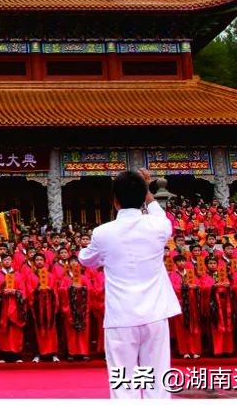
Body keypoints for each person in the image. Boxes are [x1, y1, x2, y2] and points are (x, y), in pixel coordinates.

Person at [78, 168, 181, 399]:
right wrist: (147, 189)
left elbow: (86, 259)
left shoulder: (103, 233)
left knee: (124, 382)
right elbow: (158, 212)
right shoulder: (159, 227)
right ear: (144, 195)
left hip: (121, 317)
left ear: (115, 201)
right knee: (157, 380)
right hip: (155, 314)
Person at [26, 252, 60, 363]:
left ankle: (53, 353)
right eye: (37, 260)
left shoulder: (51, 276)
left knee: (52, 329)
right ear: (34, 262)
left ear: (44, 261)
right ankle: (37, 353)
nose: (39, 261)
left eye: (41, 259)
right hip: (37, 307)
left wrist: (50, 290)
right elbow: (29, 291)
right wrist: (37, 291)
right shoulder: (31, 276)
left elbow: (55, 291)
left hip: (49, 306)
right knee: (37, 330)